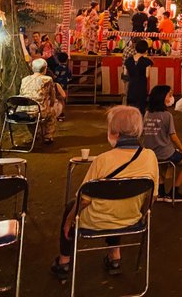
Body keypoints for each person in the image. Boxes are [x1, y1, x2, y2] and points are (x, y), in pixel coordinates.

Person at [50, 106, 159, 280]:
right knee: (120, 203)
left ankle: (64, 261)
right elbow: (152, 196)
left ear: (114, 131)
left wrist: (69, 221)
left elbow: (83, 200)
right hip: (131, 218)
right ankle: (115, 257)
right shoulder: (150, 156)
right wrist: (143, 214)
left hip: (95, 219)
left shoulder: (102, 160)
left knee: (71, 207)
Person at [143, 85, 182, 202]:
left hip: (150, 153)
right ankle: (174, 192)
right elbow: (173, 137)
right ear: (161, 97)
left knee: (161, 164)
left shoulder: (147, 114)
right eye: (169, 95)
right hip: (165, 153)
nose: (172, 97)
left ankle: (160, 192)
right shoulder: (167, 115)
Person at [124, 40, 152, 114]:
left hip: (131, 86)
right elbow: (147, 75)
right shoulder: (147, 61)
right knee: (140, 109)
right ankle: (139, 124)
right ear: (146, 50)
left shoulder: (128, 60)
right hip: (141, 87)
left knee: (130, 109)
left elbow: (125, 74)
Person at [47, 52, 73, 121]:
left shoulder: (58, 68)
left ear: (58, 60)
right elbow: (70, 77)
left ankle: (59, 113)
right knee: (63, 99)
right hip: (65, 85)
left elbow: (55, 76)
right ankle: (62, 112)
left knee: (58, 99)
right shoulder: (68, 69)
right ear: (67, 60)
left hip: (58, 86)